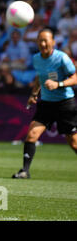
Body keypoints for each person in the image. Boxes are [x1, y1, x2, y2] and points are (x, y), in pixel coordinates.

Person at [12, 28, 77, 179]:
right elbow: (39, 77)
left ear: (53, 42)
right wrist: (34, 94)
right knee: (32, 135)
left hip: (65, 103)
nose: (42, 43)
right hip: (46, 103)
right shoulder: (36, 59)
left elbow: (75, 78)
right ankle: (24, 171)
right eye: (39, 40)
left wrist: (58, 84)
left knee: (73, 143)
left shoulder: (62, 58)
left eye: (45, 40)